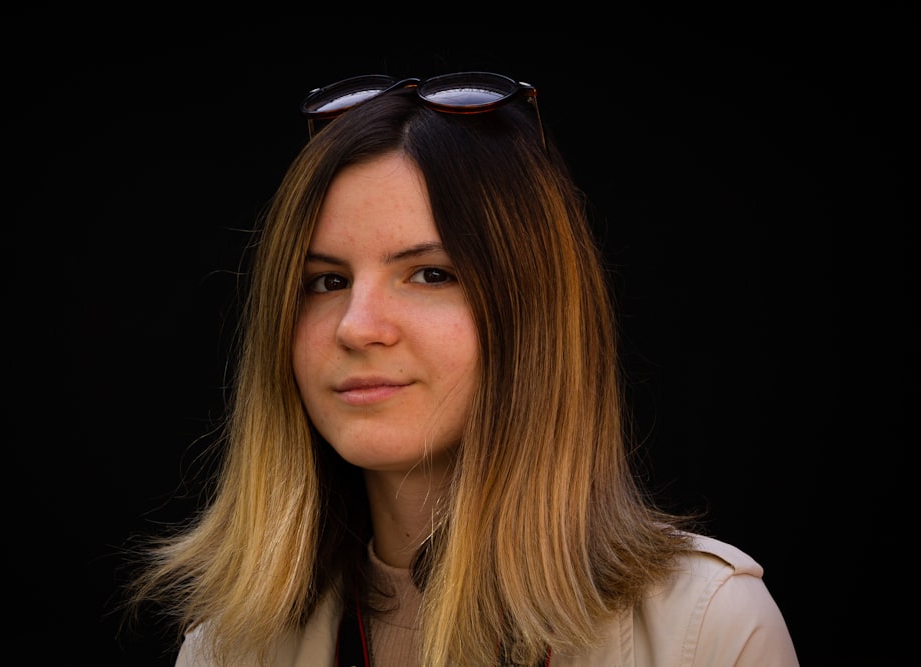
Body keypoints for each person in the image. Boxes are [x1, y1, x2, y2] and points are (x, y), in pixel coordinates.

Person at [126, 72, 800, 666]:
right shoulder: (228, 648)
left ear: (535, 316)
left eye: (428, 273)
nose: (358, 325)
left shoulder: (709, 629)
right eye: (326, 281)